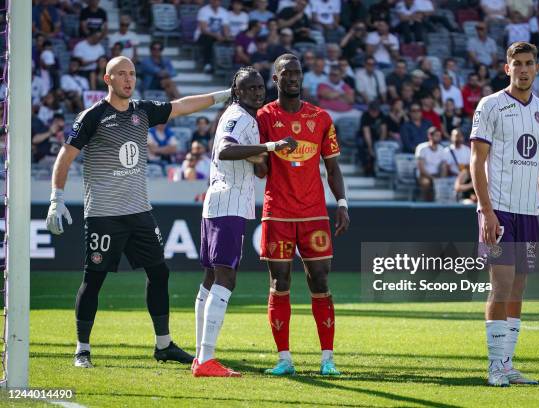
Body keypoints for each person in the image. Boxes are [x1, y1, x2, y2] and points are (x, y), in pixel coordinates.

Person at [45, 56, 233, 369]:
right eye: (121, 74)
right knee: (94, 280)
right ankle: (82, 349)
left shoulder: (142, 110)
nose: (128, 79)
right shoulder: (92, 116)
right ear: (108, 79)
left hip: (138, 211)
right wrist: (56, 198)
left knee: (159, 272)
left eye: (131, 73)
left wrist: (222, 96)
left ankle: (163, 345)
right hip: (104, 214)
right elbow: (65, 157)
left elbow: (182, 105)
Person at [192, 67, 297, 377]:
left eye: (260, 86)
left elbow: (258, 168)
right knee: (226, 278)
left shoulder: (242, 116)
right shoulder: (239, 116)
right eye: (249, 87)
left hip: (219, 201)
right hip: (229, 203)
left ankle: (201, 356)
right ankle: (206, 359)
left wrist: (261, 157)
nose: (256, 91)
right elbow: (225, 150)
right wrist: (271, 147)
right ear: (236, 91)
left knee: (211, 278)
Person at [256, 53, 350, 376]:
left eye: (297, 73)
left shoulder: (321, 117)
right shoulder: (264, 117)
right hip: (278, 212)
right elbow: (260, 169)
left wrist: (342, 204)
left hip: (314, 213)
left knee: (320, 281)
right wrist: (260, 156)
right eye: (286, 73)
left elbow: (333, 168)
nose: (293, 78)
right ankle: (284, 358)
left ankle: (328, 359)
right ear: (275, 79)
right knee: (279, 282)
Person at [470, 42, 539, 387]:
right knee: (502, 286)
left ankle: (508, 365)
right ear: (507, 68)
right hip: (499, 211)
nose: (523, 69)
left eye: (529, 63)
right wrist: (487, 210)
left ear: (536, 68)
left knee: (518, 289)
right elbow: (476, 160)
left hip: (529, 213)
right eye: (517, 63)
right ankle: (494, 366)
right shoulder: (490, 105)